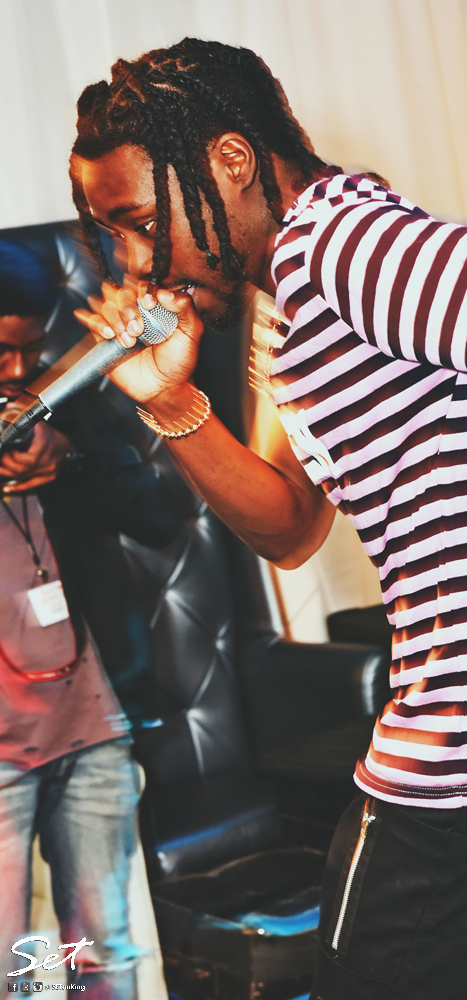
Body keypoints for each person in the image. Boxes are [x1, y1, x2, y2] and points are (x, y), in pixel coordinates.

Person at [68, 39, 467, 997]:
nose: (136, 261)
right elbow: (289, 526)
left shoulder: (334, 247)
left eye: (140, 223)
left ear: (231, 160)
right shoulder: (288, 301)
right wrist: (172, 405)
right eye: (114, 237)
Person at [0, 239, 177, 998]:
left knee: (104, 954)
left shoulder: (64, 402)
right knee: (14, 971)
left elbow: (161, 516)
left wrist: (68, 461)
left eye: (30, 347)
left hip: (94, 726)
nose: (17, 370)